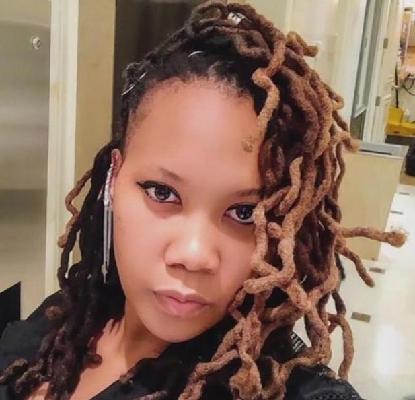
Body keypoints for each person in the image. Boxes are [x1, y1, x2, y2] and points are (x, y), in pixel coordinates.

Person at [0, 1, 406, 399]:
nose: (193, 256)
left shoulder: (277, 387)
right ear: (113, 178)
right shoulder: (64, 316)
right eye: (162, 193)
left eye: (245, 213)